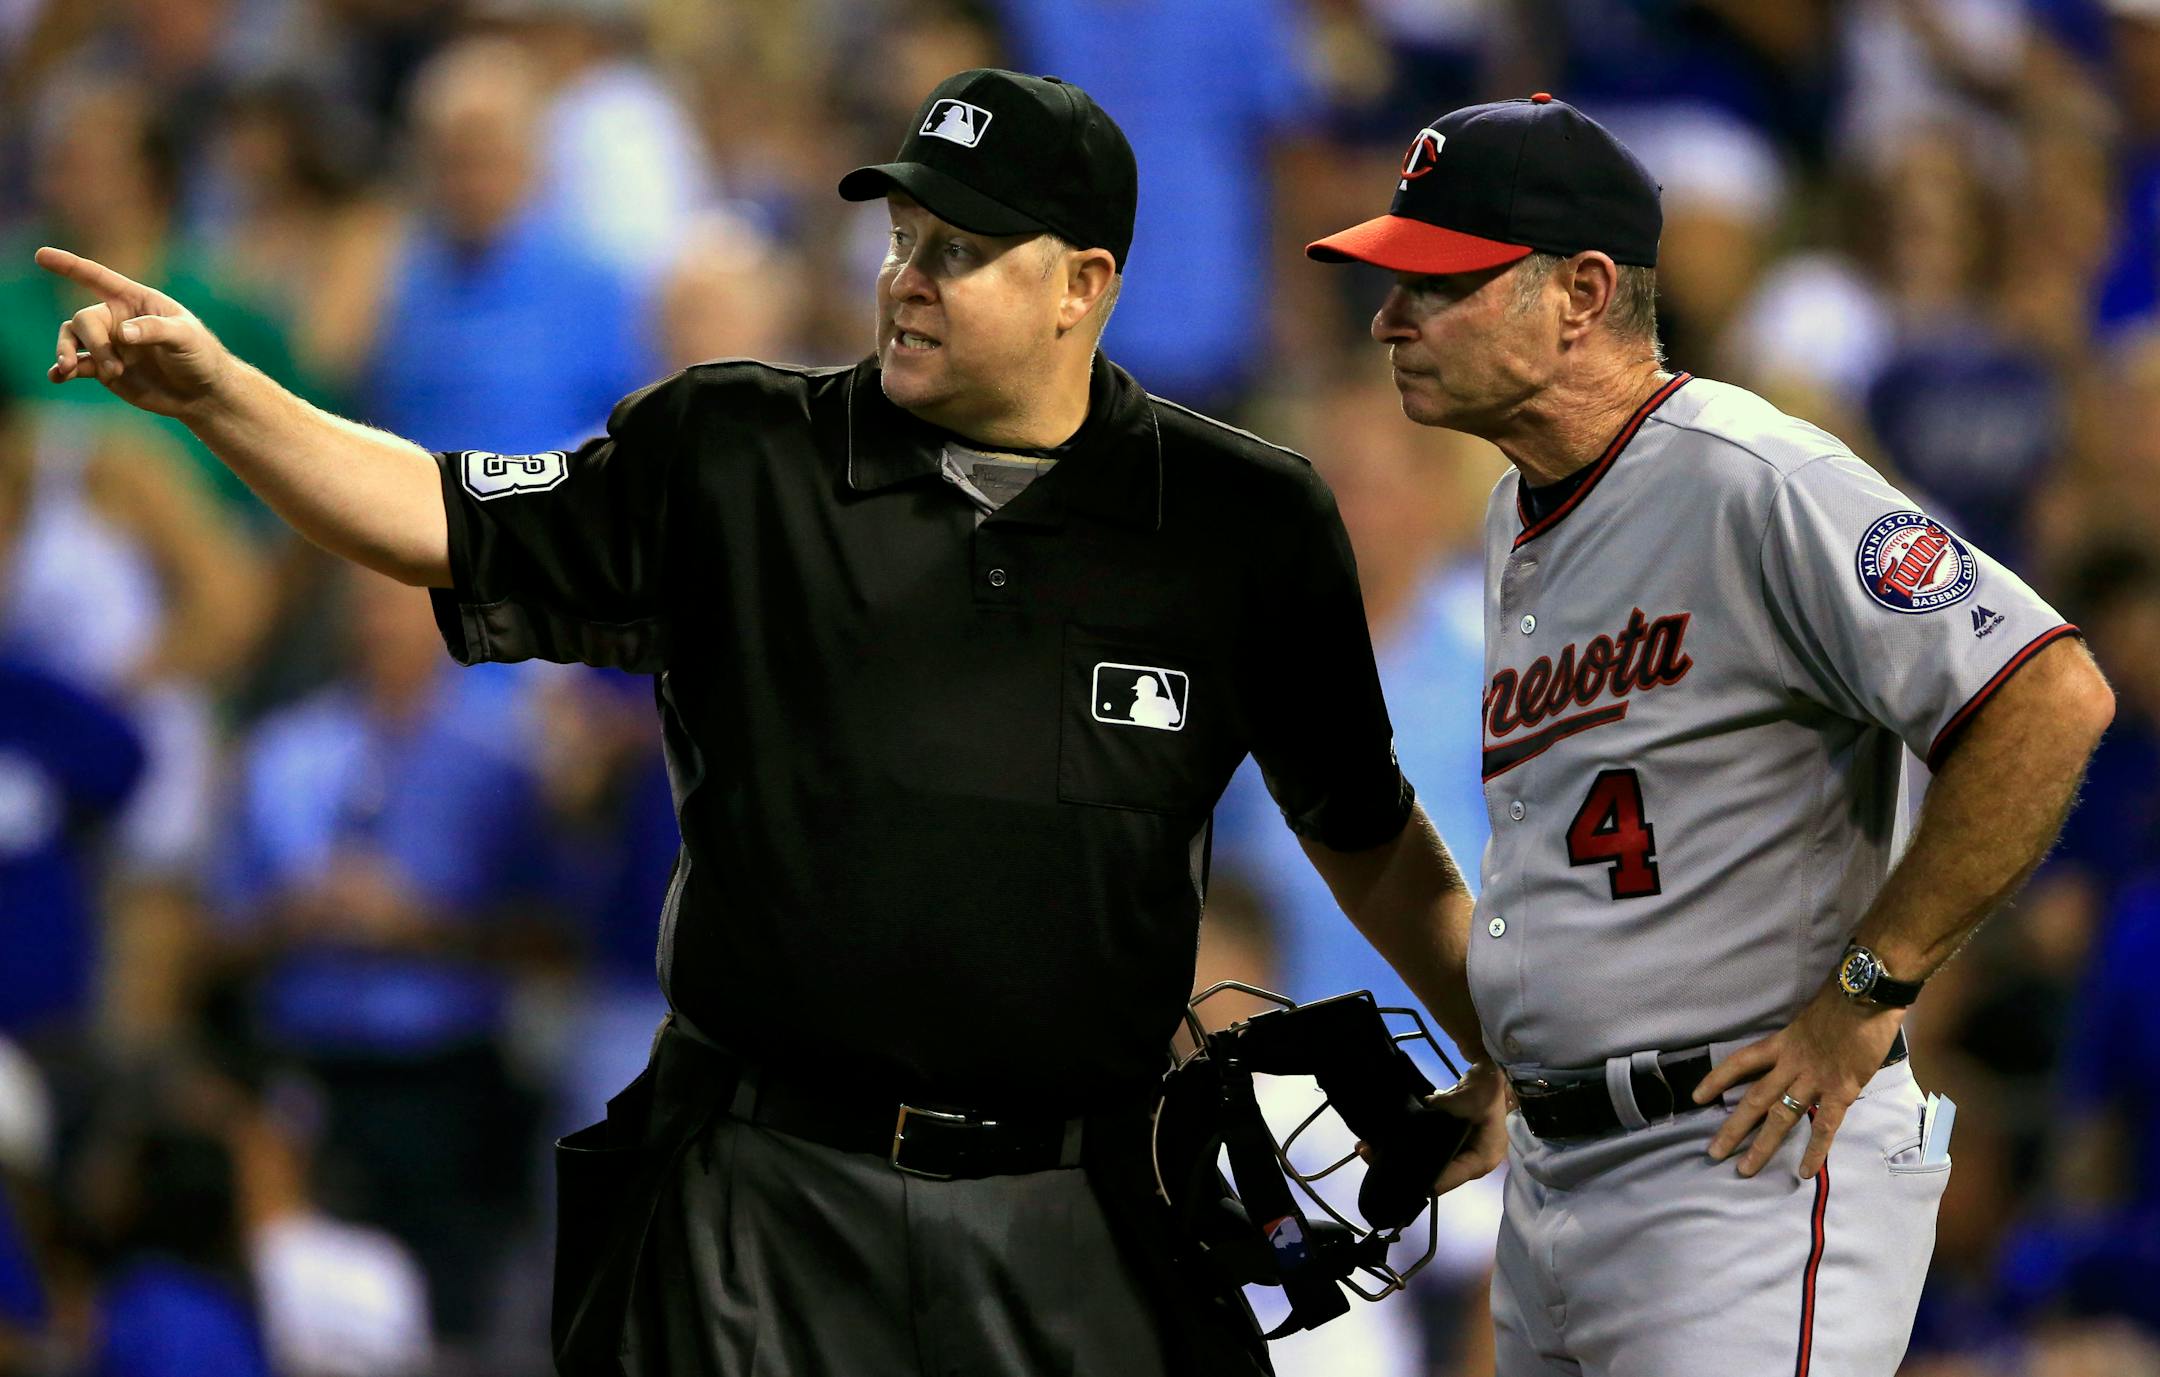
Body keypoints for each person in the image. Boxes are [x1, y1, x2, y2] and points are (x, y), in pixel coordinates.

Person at [36, 68, 1507, 1377]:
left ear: (1085, 282)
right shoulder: (737, 451)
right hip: (765, 1190)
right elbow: (440, 514)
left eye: (964, 251)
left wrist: (1498, 1044)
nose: (911, 280)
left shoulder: (1243, 520)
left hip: (1081, 1200)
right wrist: (224, 398)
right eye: (903, 241)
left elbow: (1365, 833)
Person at [1307, 93, 2115, 1376]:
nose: (1390, 317)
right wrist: (1525, 1063)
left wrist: (1869, 990)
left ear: (1580, 292)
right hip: (1562, 1174)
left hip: (1739, 1163)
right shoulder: (1518, 512)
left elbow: (2049, 694)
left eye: (1439, 282)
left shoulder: (1754, 474)